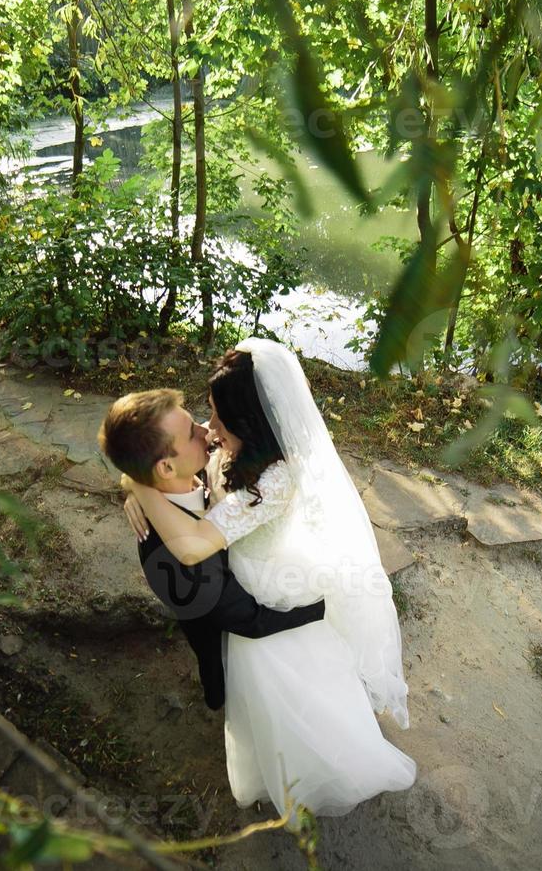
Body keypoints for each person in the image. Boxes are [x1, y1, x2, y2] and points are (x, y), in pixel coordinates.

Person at [121, 339, 415, 817]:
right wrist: (135, 483)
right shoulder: (233, 443)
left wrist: (137, 483)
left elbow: (195, 544)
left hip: (264, 584)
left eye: (217, 418)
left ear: (249, 423)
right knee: (247, 678)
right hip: (233, 566)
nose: (208, 428)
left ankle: (322, 764)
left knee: (283, 677)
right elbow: (172, 464)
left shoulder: (273, 480)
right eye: (209, 413)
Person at [97, 388, 328, 711]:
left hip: (241, 576)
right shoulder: (173, 559)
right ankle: (218, 696)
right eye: (193, 432)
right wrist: (318, 610)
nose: (207, 430)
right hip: (221, 629)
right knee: (219, 666)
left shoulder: (188, 470)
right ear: (165, 468)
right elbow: (249, 621)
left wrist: (135, 483)